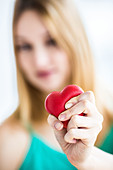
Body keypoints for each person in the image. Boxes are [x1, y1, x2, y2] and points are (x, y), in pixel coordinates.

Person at [0, 0, 113, 169]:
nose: (40, 61)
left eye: (51, 41)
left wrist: (89, 160)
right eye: (25, 46)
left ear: (75, 40)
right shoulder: (7, 143)